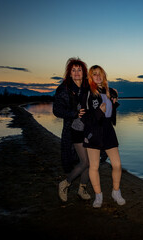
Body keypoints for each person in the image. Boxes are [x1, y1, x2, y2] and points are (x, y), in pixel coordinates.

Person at [83, 65, 125, 208]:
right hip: (93, 131)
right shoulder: (87, 92)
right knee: (94, 166)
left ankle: (116, 191)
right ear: (90, 77)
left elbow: (110, 114)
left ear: (104, 76)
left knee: (117, 164)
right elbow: (84, 117)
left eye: (100, 74)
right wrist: (98, 112)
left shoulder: (111, 91)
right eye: (95, 74)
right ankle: (98, 195)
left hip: (107, 130)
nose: (98, 76)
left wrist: (114, 103)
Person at [53, 57, 91, 202]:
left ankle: (82, 189)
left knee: (90, 162)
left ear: (83, 72)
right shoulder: (64, 89)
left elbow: (102, 91)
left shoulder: (88, 87)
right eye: (73, 70)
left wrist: (112, 95)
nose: (76, 73)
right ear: (69, 73)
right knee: (85, 162)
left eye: (79, 70)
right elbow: (56, 110)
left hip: (89, 130)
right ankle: (65, 183)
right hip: (72, 130)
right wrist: (74, 114)